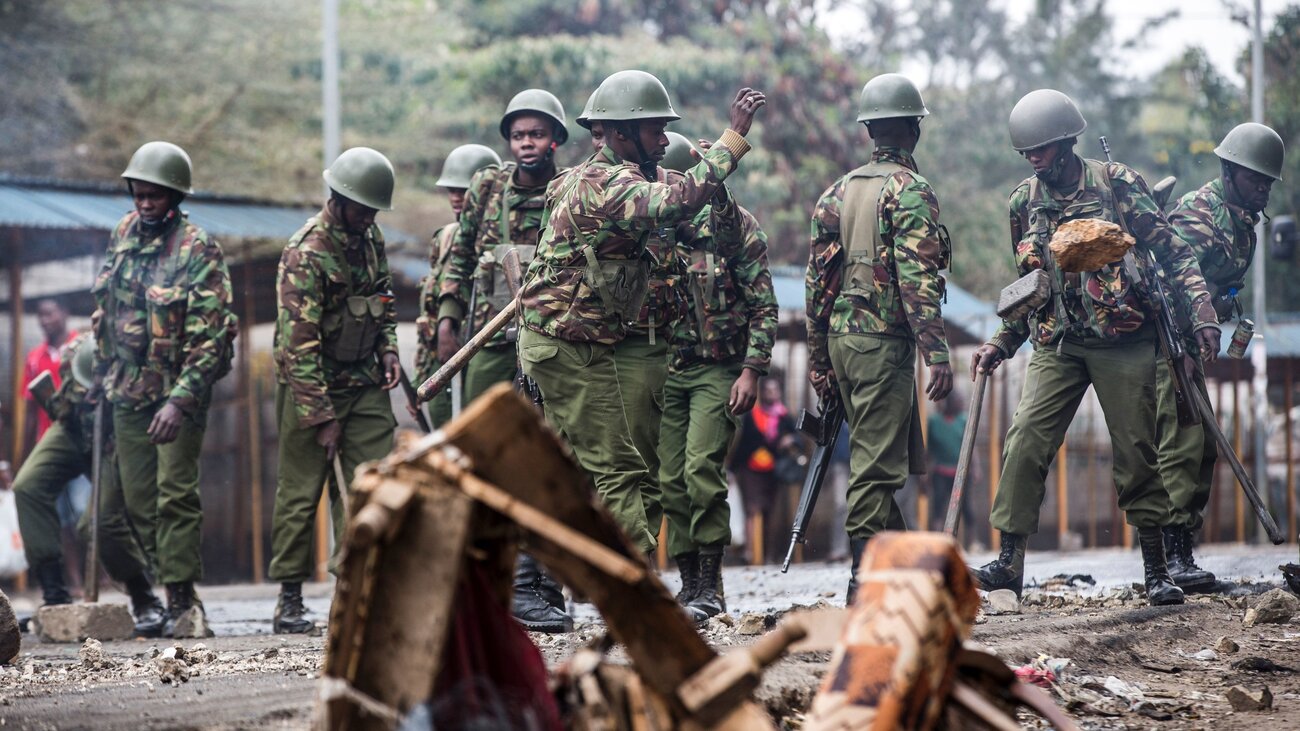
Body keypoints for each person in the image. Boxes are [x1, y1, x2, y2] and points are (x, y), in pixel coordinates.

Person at [969, 89, 1221, 607]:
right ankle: (1008, 563)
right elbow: (1028, 287)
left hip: (1123, 342)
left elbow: (1174, 255)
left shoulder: (1117, 184)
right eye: (1026, 153)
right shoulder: (1024, 202)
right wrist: (1001, 342)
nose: (1033, 160)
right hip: (1057, 343)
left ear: (1066, 143)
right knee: (1024, 443)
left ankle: (1155, 569)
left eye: (1040, 150)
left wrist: (1202, 317)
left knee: (1137, 454)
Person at [517, 71, 765, 567]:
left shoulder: (588, 178)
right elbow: (677, 201)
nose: (662, 139)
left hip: (570, 342)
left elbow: (679, 191)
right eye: (655, 130)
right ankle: (633, 587)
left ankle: (586, 579)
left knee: (594, 465)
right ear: (621, 134)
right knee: (618, 468)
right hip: (567, 344)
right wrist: (731, 140)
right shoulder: (607, 183)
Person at [805, 73, 953, 603]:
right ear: (914, 130)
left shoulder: (837, 191)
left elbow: (817, 285)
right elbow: (917, 280)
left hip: (844, 344)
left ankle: (908, 569)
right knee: (876, 467)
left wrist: (819, 359)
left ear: (869, 129)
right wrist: (937, 355)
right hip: (882, 345)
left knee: (879, 453)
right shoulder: (911, 191)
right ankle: (863, 581)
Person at [92, 141, 235, 636]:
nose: (144, 203)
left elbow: (212, 335)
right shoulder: (123, 235)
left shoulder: (198, 248)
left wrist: (180, 400)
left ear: (173, 195)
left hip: (179, 391)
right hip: (127, 390)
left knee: (175, 494)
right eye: (138, 193)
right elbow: (108, 312)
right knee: (135, 500)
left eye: (154, 195)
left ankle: (182, 600)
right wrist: (103, 372)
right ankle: (154, 591)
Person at [270, 147, 401, 633]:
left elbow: (383, 298)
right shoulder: (305, 252)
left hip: (364, 380)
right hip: (311, 384)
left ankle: (356, 588)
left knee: (369, 483)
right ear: (338, 198)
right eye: (362, 209)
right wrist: (321, 415)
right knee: (301, 492)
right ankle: (289, 600)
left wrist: (388, 348)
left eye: (374, 211)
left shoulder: (371, 238)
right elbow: (297, 345)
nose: (368, 218)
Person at [1157, 122, 1286, 591]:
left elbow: (1220, 292)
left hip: (1190, 344)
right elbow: (1170, 289)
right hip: (1165, 343)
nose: (1263, 190)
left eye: (1268, 183)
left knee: (1202, 446)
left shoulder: (1245, 226)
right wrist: (1183, 349)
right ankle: (1171, 559)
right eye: (1256, 180)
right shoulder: (1200, 216)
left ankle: (1180, 552)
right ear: (1230, 172)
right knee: (1184, 444)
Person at [657, 131, 777, 620]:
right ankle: (689, 586)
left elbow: (764, 307)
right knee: (668, 480)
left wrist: (751, 370)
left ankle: (711, 584)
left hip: (718, 369)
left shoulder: (734, 225)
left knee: (699, 470)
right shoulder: (654, 227)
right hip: (668, 371)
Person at [14, 335, 165, 636]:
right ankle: (55, 597)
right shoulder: (74, 356)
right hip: (72, 430)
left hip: (112, 439)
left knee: (97, 521)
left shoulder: (134, 371)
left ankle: (143, 597)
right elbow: (59, 407)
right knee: (28, 486)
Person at [436, 90, 569, 404]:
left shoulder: (570, 189)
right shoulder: (487, 187)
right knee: (479, 423)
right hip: (489, 336)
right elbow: (462, 255)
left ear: (556, 138)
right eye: (517, 135)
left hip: (551, 338)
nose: (526, 143)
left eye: (537, 134)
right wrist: (447, 319)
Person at [415, 144, 502, 427]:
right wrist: (421, 372)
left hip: (488, 354)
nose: (455, 198)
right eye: (451, 190)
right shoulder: (444, 239)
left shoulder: (497, 239)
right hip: (443, 360)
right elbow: (429, 309)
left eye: (463, 191)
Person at [730, 376, 798, 566]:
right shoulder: (752, 415)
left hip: (773, 471)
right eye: (767, 390)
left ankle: (767, 553)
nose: (771, 394)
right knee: (753, 510)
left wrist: (789, 442)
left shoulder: (784, 416)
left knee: (770, 512)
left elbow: (795, 439)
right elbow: (742, 443)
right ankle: (751, 553)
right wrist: (733, 468)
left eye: (774, 390)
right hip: (751, 469)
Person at [926, 389, 969, 531]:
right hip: (940, 470)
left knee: (966, 506)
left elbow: (969, 445)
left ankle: (974, 542)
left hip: (960, 472)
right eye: (958, 402)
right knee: (938, 506)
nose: (961, 404)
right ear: (948, 403)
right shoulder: (934, 421)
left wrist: (974, 468)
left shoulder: (963, 420)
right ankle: (936, 539)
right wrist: (924, 473)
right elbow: (929, 449)